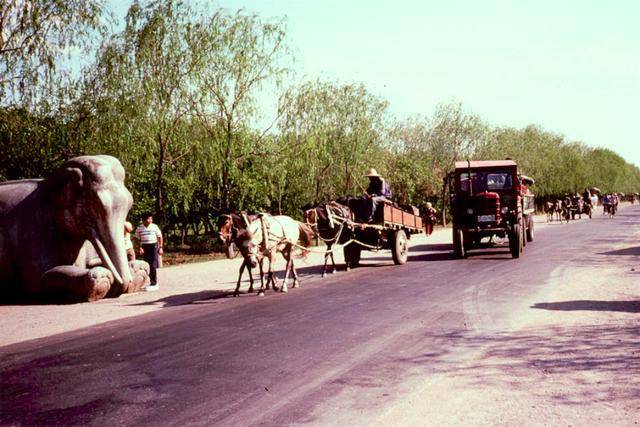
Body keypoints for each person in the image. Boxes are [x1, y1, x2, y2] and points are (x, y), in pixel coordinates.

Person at [135, 213, 163, 291]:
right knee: (146, 265)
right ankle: (148, 282)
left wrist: (160, 247)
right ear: (143, 220)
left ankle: (154, 283)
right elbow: (137, 238)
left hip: (153, 246)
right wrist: (139, 247)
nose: (150, 220)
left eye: (151, 219)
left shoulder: (154, 226)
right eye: (148, 219)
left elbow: (159, 236)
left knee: (153, 264)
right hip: (145, 246)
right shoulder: (139, 228)